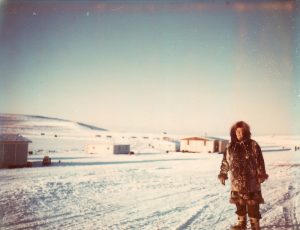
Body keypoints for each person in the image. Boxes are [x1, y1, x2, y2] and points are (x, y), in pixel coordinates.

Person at [218, 121, 268, 230]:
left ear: (246, 132)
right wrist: (223, 173)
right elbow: (225, 162)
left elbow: (260, 161)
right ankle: (241, 224)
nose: (239, 133)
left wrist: (261, 174)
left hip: (252, 182)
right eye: (237, 131)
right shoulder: (230, 146)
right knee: (239, 204)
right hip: (236, 182)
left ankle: (255, 225)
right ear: (233, 132)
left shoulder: (253, 144)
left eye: (241, 131)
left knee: (252, 206)